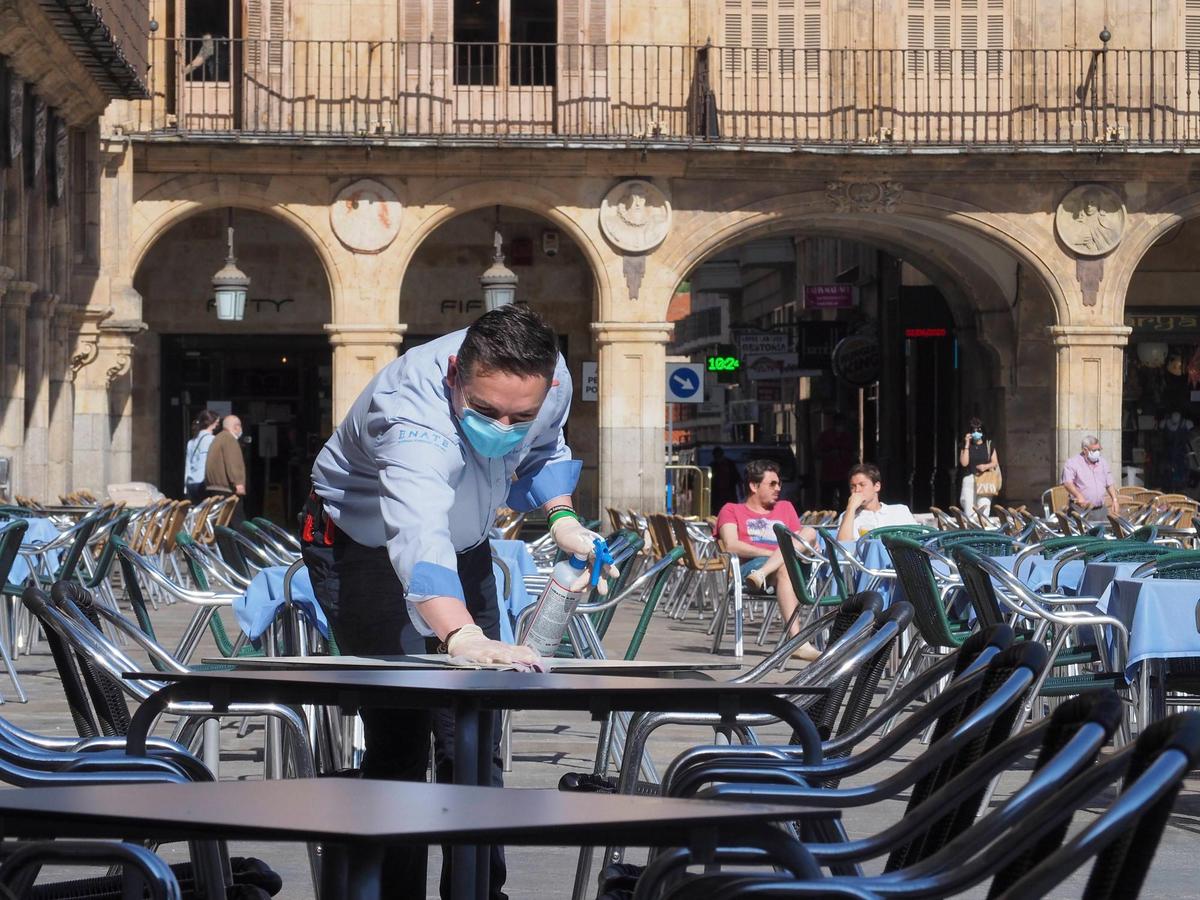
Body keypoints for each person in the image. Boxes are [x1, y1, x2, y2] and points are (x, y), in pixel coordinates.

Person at [300, 305, 614, 899]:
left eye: (519, 413)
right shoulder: (408, 414)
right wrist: (461, 636)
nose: (504, 424)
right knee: (399, 733)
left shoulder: (551, 380)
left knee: (473, 731)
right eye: (486, 410)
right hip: (359, 540)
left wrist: (564, 519)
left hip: (468, 539)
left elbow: (543, 449)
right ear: (453, 375)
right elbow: (419, 534)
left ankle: (476, 892)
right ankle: (394, 893)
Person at [716, 459, 821, 661]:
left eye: (779, 483)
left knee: (808, 531)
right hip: (752, 568)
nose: (778, 488)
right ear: (754, 486)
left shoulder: (786, 507)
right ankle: (798, 642)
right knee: (784, 568)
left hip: (785, 569)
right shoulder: (731, 510)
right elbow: (731, 545)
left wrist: (801, 548)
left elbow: (799, 539)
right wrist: (770, 555)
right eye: (772, 484)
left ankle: (765, 572)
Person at [795, 462, 916, 547]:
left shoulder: (900, 511)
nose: (857, 490)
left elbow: (920, 539)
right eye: (853, 486)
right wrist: (851, 507)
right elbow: (843, 546)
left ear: (877, 486)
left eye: (862, 485)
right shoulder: (848, 516)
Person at [1061, 434, 1119, 523]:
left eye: (1099, 449)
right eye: (1094, 450)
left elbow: (1109, 482)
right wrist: (1078, 495)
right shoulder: (1072, 463)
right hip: (1081, 510)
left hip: (1101, 509)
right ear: (1085, 450)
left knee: (1102, 535)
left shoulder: (1102, 462)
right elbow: (1067, 483)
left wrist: (1114, 499)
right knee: (1083, 535)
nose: (1097, 452)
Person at [204, 414, 247, 526]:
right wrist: (238, 483)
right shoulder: (229, 439)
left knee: (221, 522)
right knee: (238, 522)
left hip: (215, 487)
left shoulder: (218, 438)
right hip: (227, 489)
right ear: (236, 427)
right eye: (240, 425)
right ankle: (241, 544)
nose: (241, 429)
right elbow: (233, 461)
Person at [959, 417, 1000, 518]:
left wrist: (985, 466)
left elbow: (995, 462)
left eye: (978, 430)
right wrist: (967, 444)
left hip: (984, 480)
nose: (976, 433)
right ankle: (971, 532)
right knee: (969, 511)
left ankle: (982, 531)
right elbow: (964, 463)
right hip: (970, 479)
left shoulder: (989, 445)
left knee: (984, 511)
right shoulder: (966, 445)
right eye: (973, 431)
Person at [815, 413, 855, 508]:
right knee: (826, 501)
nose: (840, 426)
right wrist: (830, 454)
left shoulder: (848, 437)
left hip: (844, 474)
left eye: (842, 423)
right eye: (838, 423)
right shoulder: (826, 436)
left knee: (845, 500)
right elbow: (817, 453)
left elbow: (853, 453)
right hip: (828, 474)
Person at [183, 409, 219, 504]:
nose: (217, 425)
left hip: (191, 482)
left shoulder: (191, 442)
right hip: (204, 482)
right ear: (213, 423)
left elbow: (188, 464)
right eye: (217, 422)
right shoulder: (212, 440)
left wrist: (185, 487)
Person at [709, 446, 741, 513]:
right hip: (717, 495)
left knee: (731, 510)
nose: (718, 458)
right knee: (718, 511)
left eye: (719, 455)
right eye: (716, 456)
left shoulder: (730, 464)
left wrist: (741, 490)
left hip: (729, 493)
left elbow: (737, 477)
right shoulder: (712, 466)